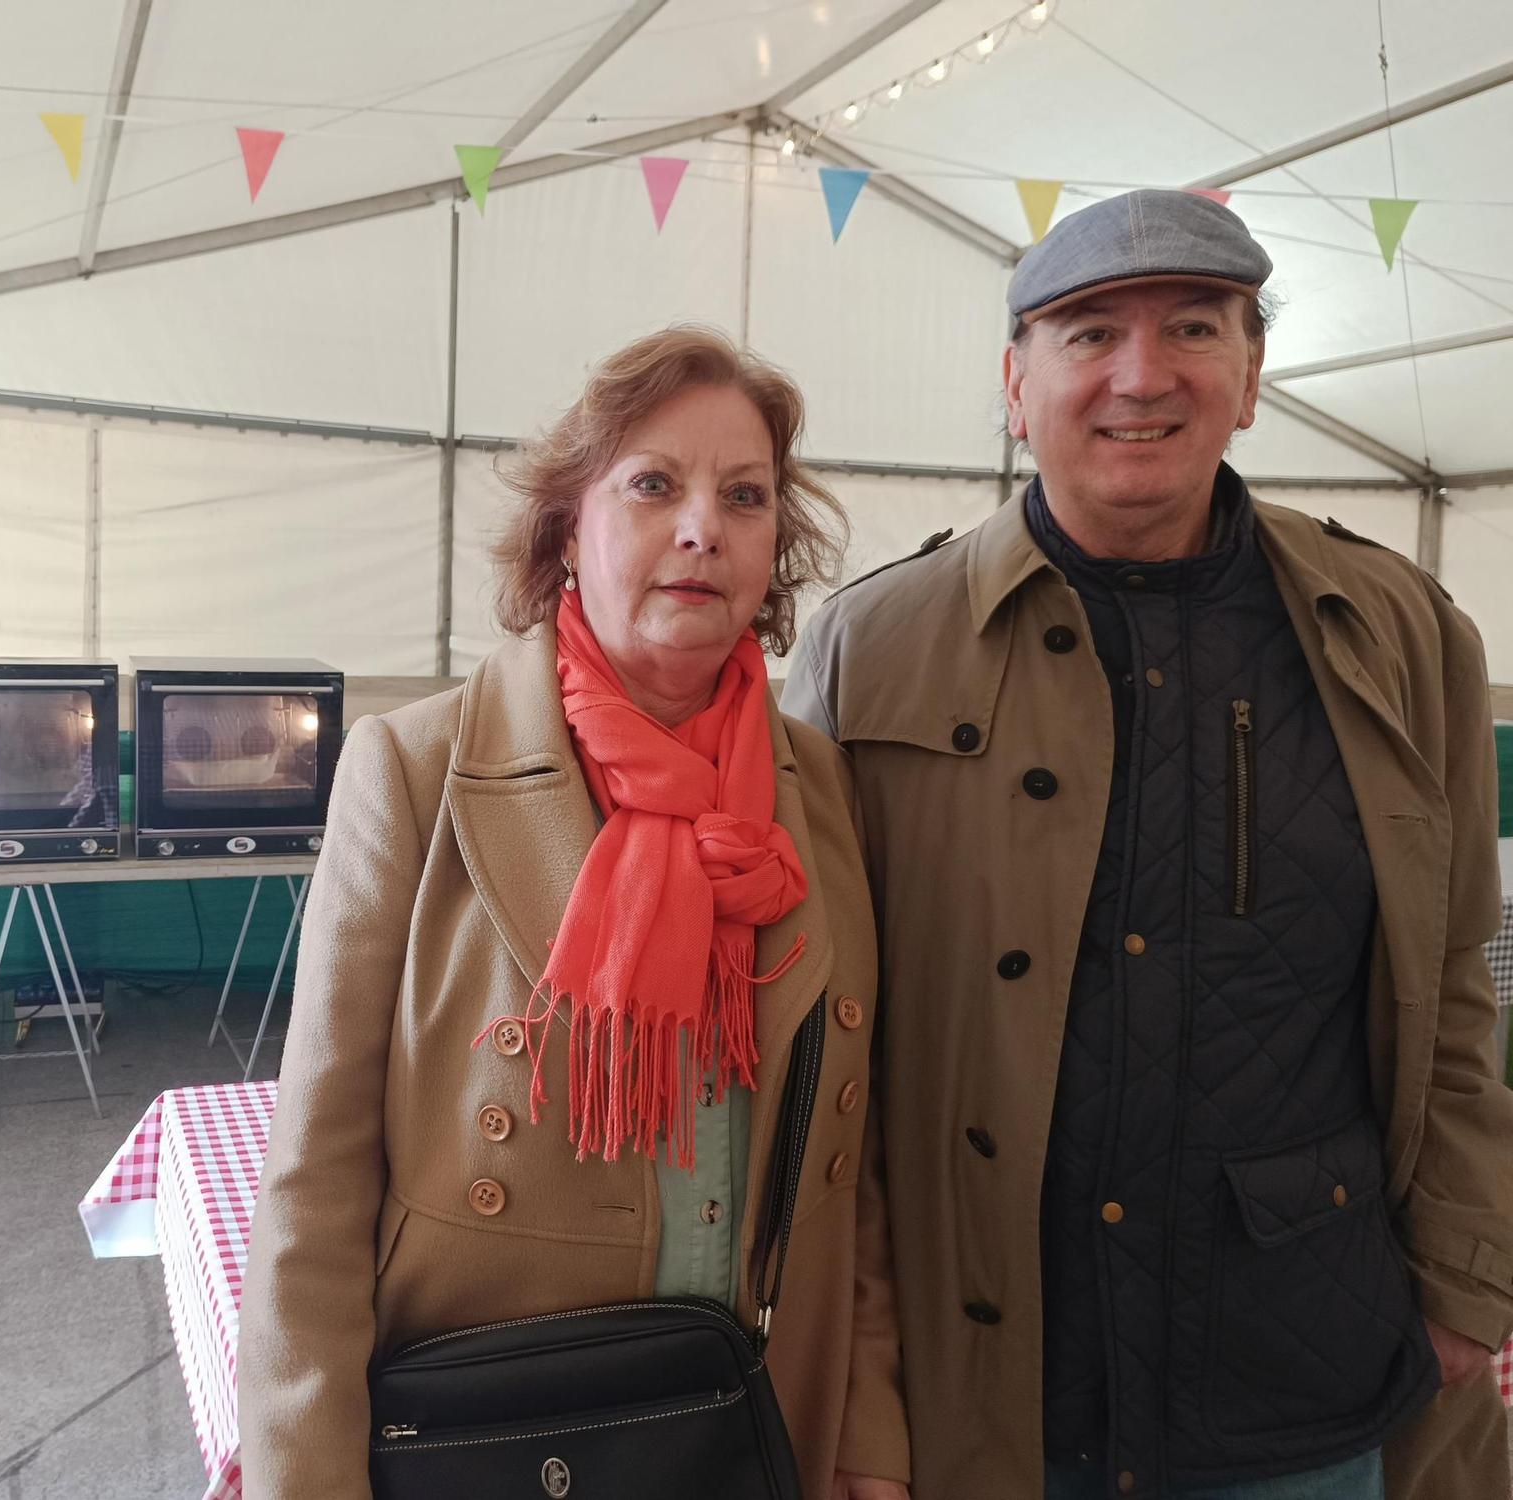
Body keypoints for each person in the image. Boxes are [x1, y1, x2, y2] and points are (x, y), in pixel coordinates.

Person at [781, 189, 1513, 1500]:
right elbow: (813, 1047)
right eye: (1086, 334)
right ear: (1016, 384)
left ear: (1251, 374)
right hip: (985, 1386)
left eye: (1193, 326)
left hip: (1303, 1375)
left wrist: (1467, 1271)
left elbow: (1454, 986)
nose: (1142, 374)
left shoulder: (1406, 638)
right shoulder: (868, 651)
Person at [238, 327, 911, 1500]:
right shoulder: (413, 767)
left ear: (772, 547)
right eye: (653, 484)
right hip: (500, 1425)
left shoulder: (817, 787)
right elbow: (318, 1175)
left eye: (743, 496)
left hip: (748, 1422)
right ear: (567, 527)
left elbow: (847, 1166)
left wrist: (867, 1439)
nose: (701, 527)